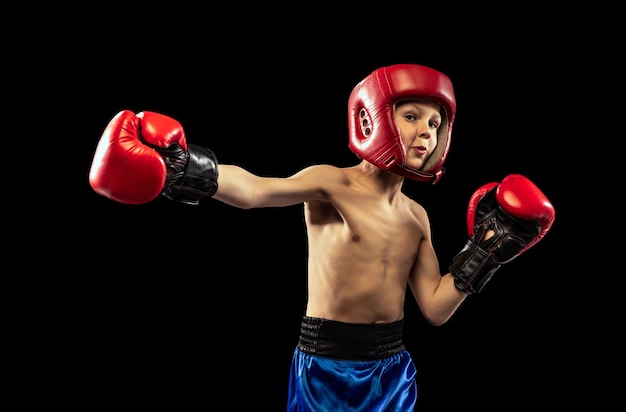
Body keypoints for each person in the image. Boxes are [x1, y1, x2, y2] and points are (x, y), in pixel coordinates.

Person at [88, 63, 555, 411]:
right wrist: (182, 167)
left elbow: (434, 308)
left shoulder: (417, 218)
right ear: (373, 117)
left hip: (393, 369)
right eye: (412, 116)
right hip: (326, 366)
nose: (426, 134)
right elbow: (254, 189)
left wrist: (485, 254)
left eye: (436, 124)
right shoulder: (334, 184)